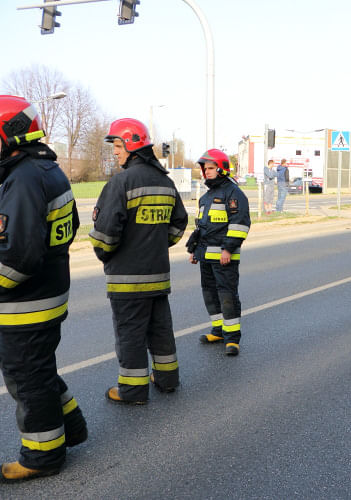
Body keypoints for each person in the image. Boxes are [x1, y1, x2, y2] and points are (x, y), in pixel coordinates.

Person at [0, 95, 87, 482]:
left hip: (25, 304)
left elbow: (17, 257)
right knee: (39, 369)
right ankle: (73, 427)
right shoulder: (46, 170)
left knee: (27, 379)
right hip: (47, 296)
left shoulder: (22, 178)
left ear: (10, 133)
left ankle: (42, 456)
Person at [89, 118, 188, 404]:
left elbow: (104, 237)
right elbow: (178, 225)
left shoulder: (121, 182)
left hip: (127, 280)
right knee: (160, 331)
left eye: (118, 146)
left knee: (130, 335)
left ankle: (132, 391)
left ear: (132, 147)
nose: (115, 152)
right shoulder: (165, 182)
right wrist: (156, 244)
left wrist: (107, 255)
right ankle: (168, 380)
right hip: (158, 276)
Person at [188, 149, 250, 356]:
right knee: (210, 294)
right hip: (206, 256)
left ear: (222, 168)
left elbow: (239, 224)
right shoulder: (205, 197)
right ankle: (218, 331)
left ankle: (232, 339)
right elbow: (202, 228)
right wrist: (195, 251)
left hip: (225, 257)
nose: (207, 172)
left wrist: (228, 249)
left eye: (211, 168)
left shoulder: (233, 194)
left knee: (227, 296)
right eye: (205, 169)